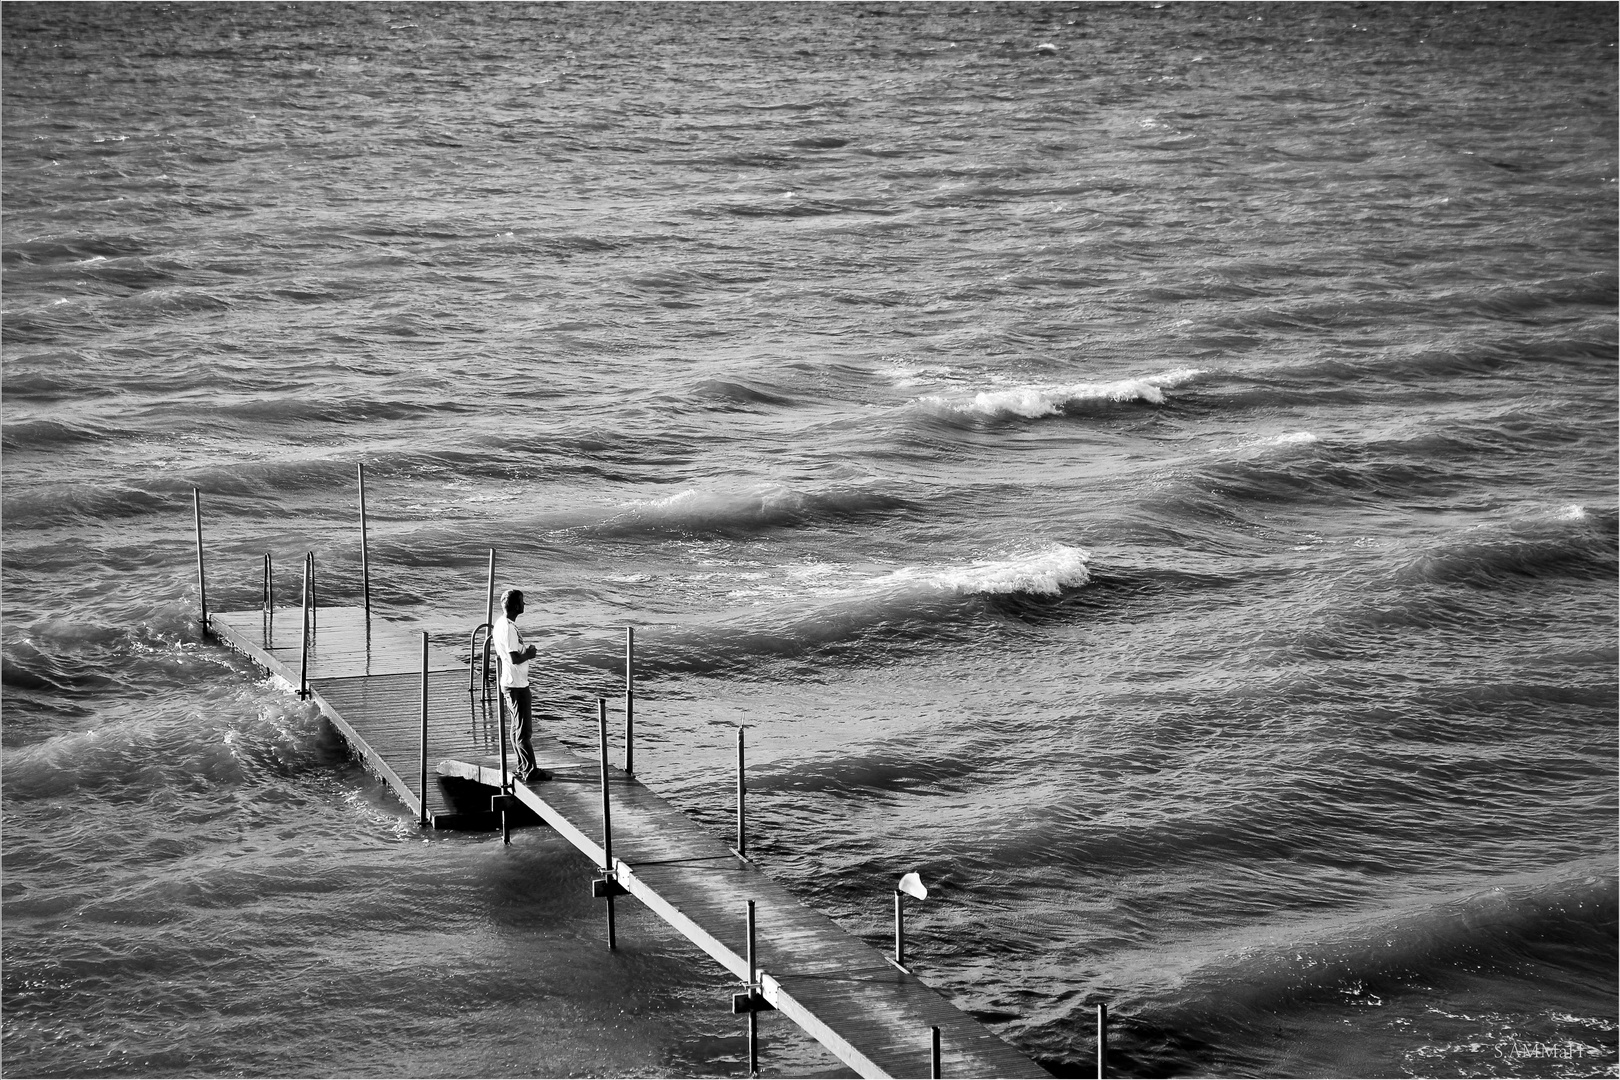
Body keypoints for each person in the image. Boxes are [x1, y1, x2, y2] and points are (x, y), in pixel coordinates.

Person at [491, 588, 548, 783]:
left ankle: (523, 766)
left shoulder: (501, 624)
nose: (524, 605)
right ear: (515, 605)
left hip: (511, 682)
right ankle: (531, 771)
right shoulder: (508, 628)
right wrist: (530, 654)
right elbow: (514, 658)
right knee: (523, 731)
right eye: (522, 602)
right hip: (516, 685)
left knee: (517, 727)